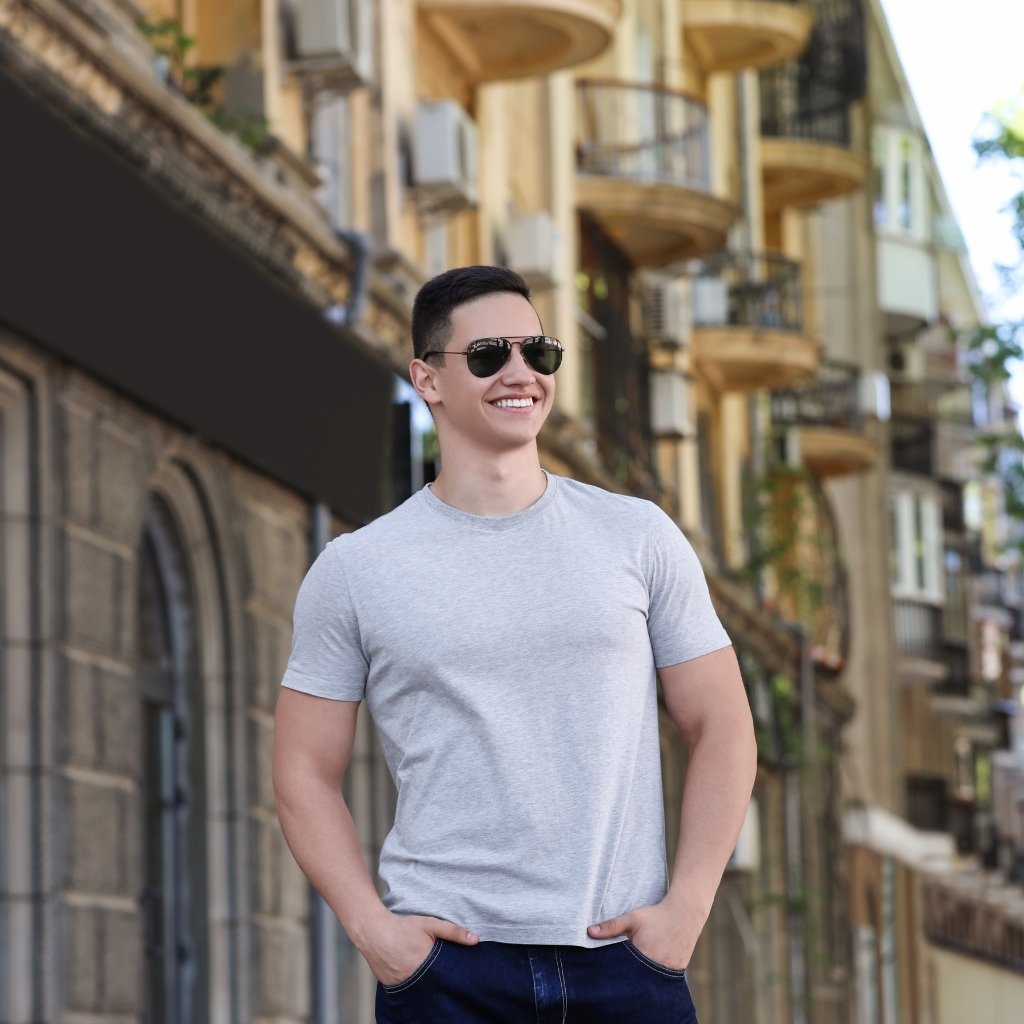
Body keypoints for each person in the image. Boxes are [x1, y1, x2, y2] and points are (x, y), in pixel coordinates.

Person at [272, 265, 758, 1022]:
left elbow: (722, 724)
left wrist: (685, 911)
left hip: (627, 966)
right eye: (491, 354)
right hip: (448, 976)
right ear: (427, 379)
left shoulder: (638, 537)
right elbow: (302, 768)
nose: (522, 373)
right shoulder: (356, 569)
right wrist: (377, 933)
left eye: (540, 353)